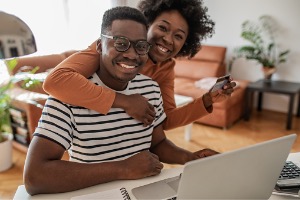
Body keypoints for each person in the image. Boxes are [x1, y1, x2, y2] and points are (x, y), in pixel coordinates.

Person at [23, 6, 218, 195]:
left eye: (140, 46)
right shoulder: (68, 94)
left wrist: (191, 158)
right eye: (121, 43)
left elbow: (157, 141)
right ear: (100, 45)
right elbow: (35, 177)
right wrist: (123, 169)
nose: (132, 54)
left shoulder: (151, 87)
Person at [43, 0, 236, 130]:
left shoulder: (165, 67)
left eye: (178, 36)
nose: (168, 39)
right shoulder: (111, 48)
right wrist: (125, 101)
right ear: (147, 24)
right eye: (162, 27)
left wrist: (208, 100)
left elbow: (165, 120)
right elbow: (55, 81)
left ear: (185, 44)